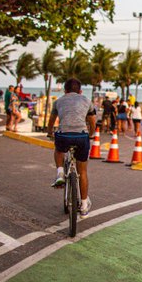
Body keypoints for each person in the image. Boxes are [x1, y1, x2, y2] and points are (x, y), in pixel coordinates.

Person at [46, 78, 97, 219]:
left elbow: (51, 121)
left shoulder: (59, 101)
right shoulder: (86, 100)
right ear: (80, 91)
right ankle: (84, 205)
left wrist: (50, 132)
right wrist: (91, 134)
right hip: (81, 137)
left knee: (59, 150)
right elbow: (93, 121)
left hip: (63, 135)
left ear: (65, 90)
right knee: (83, 171)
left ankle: (60, 172)